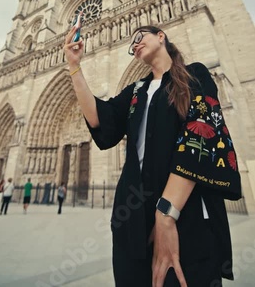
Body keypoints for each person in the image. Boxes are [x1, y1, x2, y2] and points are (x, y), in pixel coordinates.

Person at [64, 24, 241, 287]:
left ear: (161, 36)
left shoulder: (195, 75)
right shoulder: (136, 91)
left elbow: (201, 137)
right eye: (131, 44)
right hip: (132, 216)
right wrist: (74, 67)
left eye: (140, 37)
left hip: (185, 212)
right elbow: (101, 118)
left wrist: (166, 213)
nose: (134, 44)